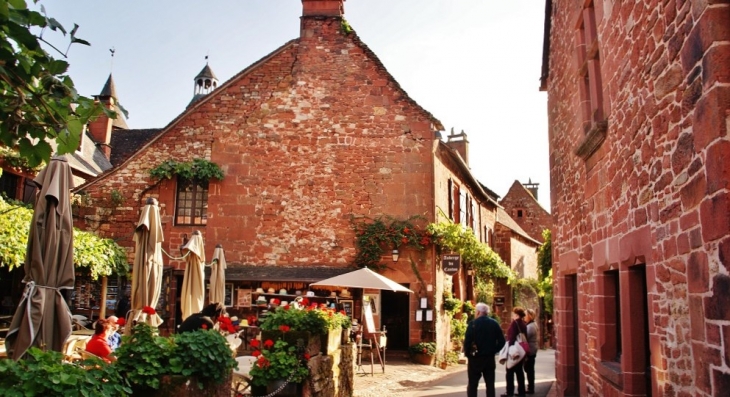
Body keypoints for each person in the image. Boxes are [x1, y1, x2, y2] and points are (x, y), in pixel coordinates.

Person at [464, 302, 506, 397]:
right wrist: (494, 350)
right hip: (489, 358)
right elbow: (502, 341)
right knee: (490, 384)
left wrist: (468, 354)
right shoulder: (494, 324)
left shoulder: (473, 324)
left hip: (475, 358)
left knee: (473, 384)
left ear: (478, 312)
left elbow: (467, 341)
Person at [502, 306, 528, 397]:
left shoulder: (515, 323)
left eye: (513, 313)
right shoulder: (523, 324)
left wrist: (509, 348)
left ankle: (509, 392)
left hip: (514, 350)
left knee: (509, 371)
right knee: (519, 372)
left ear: (516, 314)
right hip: (522, 350)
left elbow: (512, 337)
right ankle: (521, 392)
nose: (512, 315)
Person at [523, 309, 539, 394]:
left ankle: (531, 388)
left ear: (530, 316)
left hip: (530, 350)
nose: (524, 317)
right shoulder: (531, 324)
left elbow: (525, 337)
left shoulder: (531, 326)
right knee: (528, 368)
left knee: (529, 369)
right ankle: (530, 387)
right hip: (532, 349)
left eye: (525, 315)